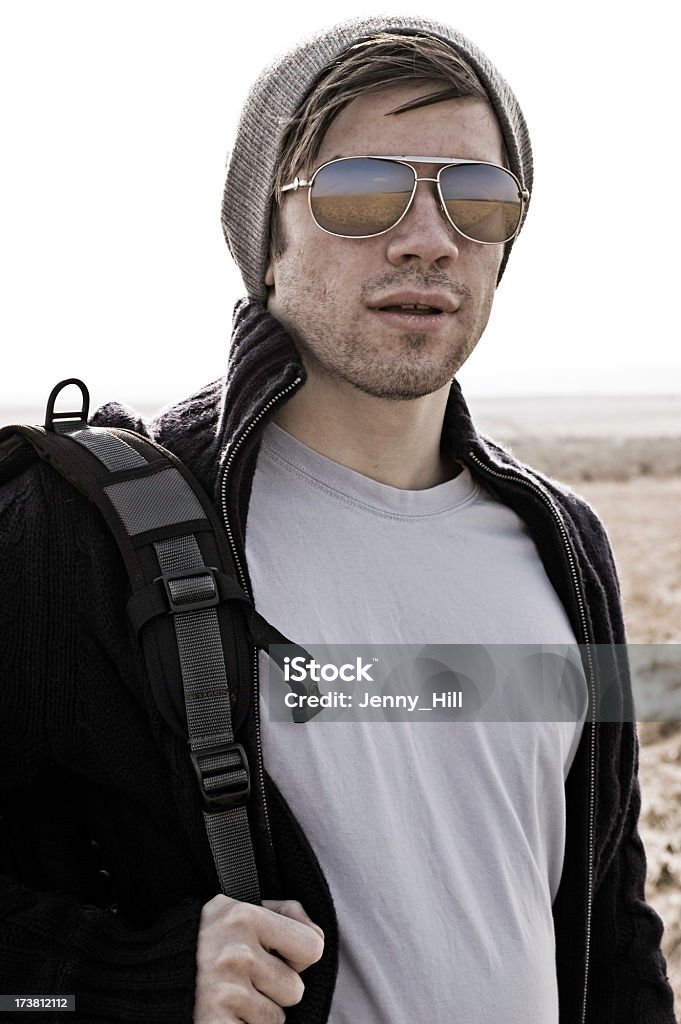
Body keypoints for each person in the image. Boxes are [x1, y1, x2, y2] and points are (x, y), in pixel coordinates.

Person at [0, 14, 676, 1024]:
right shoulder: (80, 531)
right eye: (364, 191)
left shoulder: (565, 545)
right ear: (266, 240)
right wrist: (137, 977)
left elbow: (611, 923)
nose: (427, 237)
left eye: (477, 199)